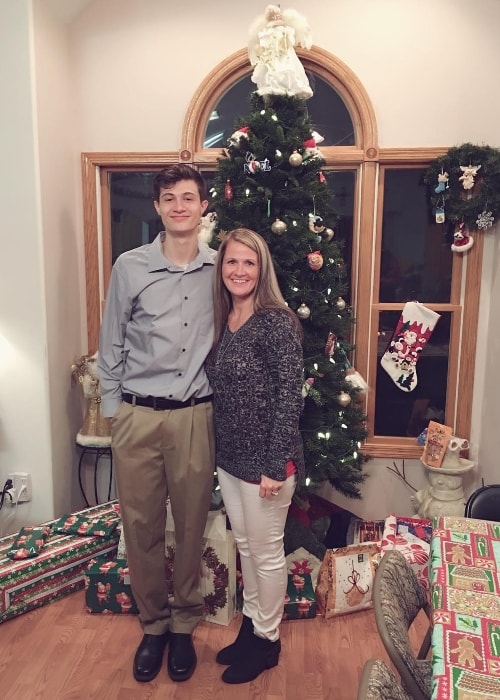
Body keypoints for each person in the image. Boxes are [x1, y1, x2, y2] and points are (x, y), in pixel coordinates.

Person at [97, 163, 215, 684]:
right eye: (169, 198)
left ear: (203, 206)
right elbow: (111, 340)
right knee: (141, 526)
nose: (179, 206)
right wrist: (114, 413)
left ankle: (184, 623)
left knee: (191, 525)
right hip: (137, 416)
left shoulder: (223, 269)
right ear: (158, 207)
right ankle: (153, 625)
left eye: (188, 197)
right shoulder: (130, 267)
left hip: (194, 416)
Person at [205, 228, 305, 684]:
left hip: (267, 464)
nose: (239, 270)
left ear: (261, 269)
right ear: (221, 268)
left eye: (249, 262)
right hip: (230, 460)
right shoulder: (224, 318)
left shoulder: (276, 322)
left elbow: (289, 397)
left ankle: (267, 641)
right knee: (245, 547)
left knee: (266, 555)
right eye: (232, 262)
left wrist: (274, 465)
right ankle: (250, 628)